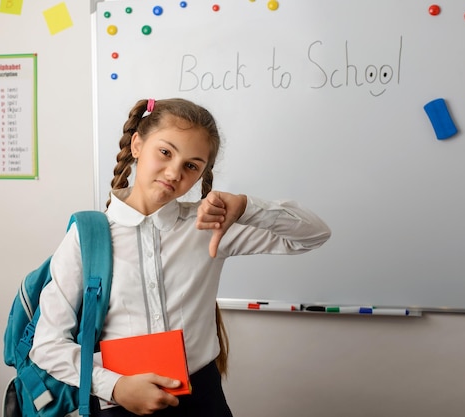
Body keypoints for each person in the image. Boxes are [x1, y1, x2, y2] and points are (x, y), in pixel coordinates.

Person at [30, 98, 331, 416]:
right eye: (165, 152)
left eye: (192, 165)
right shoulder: (89, 235)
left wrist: (244, 206)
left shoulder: (208, 226)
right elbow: (47, 344)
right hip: (120, 400)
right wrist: (115, 387)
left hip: (203, 401)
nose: (174, 172)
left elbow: (313, 235)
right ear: (137, 144)